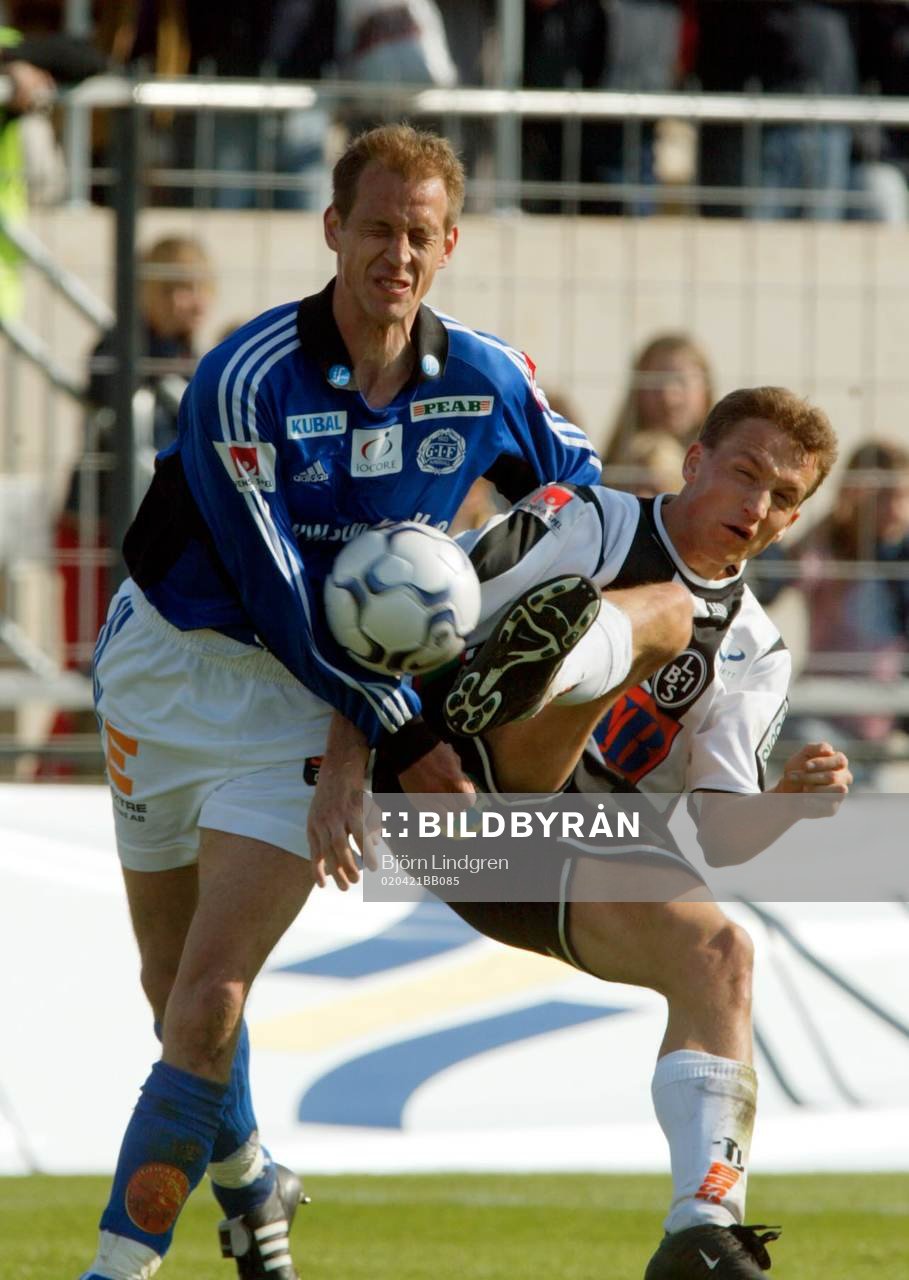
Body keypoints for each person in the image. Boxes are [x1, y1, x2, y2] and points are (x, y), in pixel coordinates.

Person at [79, 123, 601, 1280]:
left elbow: (582, 486)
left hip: (295, 718)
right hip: (169, 674)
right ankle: (256, 1179)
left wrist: (462, 568)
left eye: (421, 234)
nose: (398, 255)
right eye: (378, 228)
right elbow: (274, 587)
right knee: (169, 992)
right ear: (333, 229)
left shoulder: (484, 377)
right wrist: (396, 728)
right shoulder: (245, 374)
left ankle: (119, 1266)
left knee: (211, 995)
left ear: (450, 243)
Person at [371, 385, 851, 1279]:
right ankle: (529, 680)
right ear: (693, 460)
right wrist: (386, 744)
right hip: (443, 780)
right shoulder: (586, 520)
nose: (757, 507)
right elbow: (414, 609)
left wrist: (786, 800)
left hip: (549, 850)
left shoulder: (754, 646)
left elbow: (722, 832)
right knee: (666, 613)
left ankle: (703, 1228)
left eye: (785, 498)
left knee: (721, 955)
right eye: (745, 474)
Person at [785, 439, 909, 784]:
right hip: (824, 717)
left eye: (904, 497)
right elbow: (784, 577)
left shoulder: (900, 562)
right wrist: (831, 522)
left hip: (879, 729)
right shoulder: (832, 551)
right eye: (884, 498)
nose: (897, 510)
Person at [602, 331, 713, 474]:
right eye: (655, 383)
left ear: (706, 388)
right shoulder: (608, 474)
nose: (669, 397)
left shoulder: (725, 473)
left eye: (681, 381)